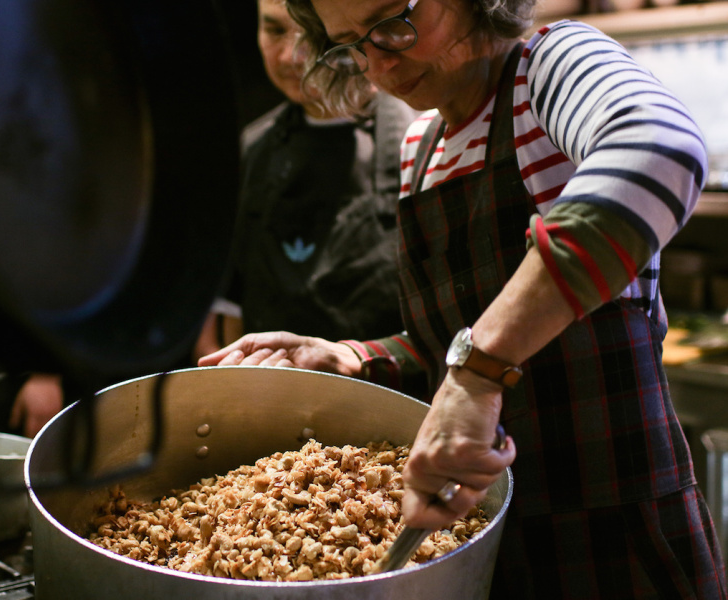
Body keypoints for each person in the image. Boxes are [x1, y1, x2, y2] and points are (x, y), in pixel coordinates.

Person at [199, 0, 728, 597]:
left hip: (614, 528)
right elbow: (449, 341)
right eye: (351, 42)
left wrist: (477, 373)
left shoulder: (546, 68)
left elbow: (659, 146)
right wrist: (354, 358)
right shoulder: (422, 147)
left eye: (393, 21)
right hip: (484, 540)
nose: (379, 62)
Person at [193, 0, 418, 359]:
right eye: (274, 30)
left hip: (379, 383)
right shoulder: (254, 149)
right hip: (271, 384)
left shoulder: (418, 137)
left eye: (310, 35)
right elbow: (230, 303)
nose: (290, 56)